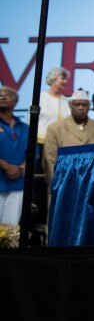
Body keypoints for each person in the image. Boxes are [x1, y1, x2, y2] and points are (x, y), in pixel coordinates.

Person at [43, 90, 94, 189]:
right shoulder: (55, 128)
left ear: (89, 106)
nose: (80, 108)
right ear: (70, 105)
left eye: (84, 105)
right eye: (76, 104)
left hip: (91, 188)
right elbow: (49, 160)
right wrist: (56, 185)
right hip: (63, 186)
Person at [0, 87, 28, 225]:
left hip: (17, 183)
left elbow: (33, 153)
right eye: (0, 95)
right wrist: (6, 166)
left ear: (15, 101)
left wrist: (21, 168)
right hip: (0, 179)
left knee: (10, 229)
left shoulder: (24, 127)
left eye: (7, 95)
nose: (3, 97)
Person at [38, 67, 71, 145]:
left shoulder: (65, 101)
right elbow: (31, 121)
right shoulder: (40, 98)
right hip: (41, 143)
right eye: (63, 78)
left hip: (60, 143)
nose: (65, 81)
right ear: (53, 79)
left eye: (66, 79)